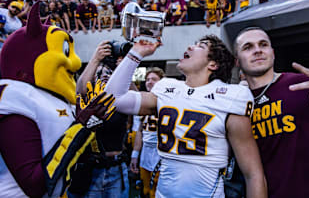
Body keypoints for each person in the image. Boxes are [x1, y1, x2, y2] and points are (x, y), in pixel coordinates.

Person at [104, 35, 267, 197]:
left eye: (200, 46)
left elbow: (253, 173)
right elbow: (113, 99)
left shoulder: (230, 96)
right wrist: (136, 53)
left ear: (213, 64)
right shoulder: (168, 88)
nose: (190, 47)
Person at [0, 2, 115, 197]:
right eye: (65, 52)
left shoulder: (51, 98)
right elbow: (35, 184)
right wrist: (82, 126)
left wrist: (87, 127)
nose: (74, 62)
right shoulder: (13, 95)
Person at [233, 26, 309, 198]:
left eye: (263, 44)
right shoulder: (237, 104)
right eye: (248, 47)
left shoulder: (302, 85)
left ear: (272, 53)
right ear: (237, 61)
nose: (257, 50)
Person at [68, 41, 132, 198]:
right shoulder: (86, 101)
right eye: (99, 74)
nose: (104, 75)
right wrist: (95, 59)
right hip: (92, 169)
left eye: (109, 73)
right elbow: (79, 89)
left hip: (117, 167)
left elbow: (134, 93)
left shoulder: (119, 99)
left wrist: (124, 67)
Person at [130, 67, 164, 198]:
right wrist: (135, 155)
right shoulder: (143, 101)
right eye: (147, 79)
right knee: (145, 190)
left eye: (154, 79)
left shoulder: (167, 100)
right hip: (146, 153)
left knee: (157, 191)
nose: (149, 82)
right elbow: (140, 131)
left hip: (161, 153)